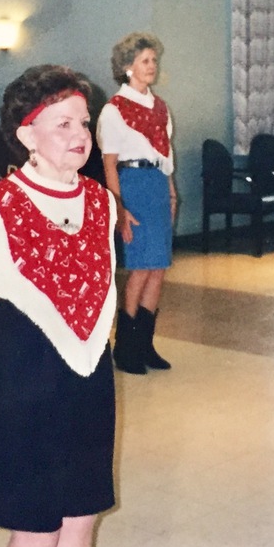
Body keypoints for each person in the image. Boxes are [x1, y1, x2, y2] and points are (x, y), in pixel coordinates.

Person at [0, 65, 116, 547]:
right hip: (20, 374)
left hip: (88, 371)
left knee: (83, 513)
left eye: (84, 123)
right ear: (26, 135)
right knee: (37, 528)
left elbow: (102, 286)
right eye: (62, 124)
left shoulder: (102, 201)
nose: (80, 136)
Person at [98, 32, 176, 374]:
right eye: (145, 61)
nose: (152, 67)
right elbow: (109, 164)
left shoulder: (160, 107)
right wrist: (119, 207)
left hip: (157, 186)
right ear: (127, 68)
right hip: (132, 187)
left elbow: (164, 155)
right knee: (140, 268)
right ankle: (125, 348)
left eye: (154, 61)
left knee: (158, 268)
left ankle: (145, 345)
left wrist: (172, 191)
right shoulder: (114, 111)